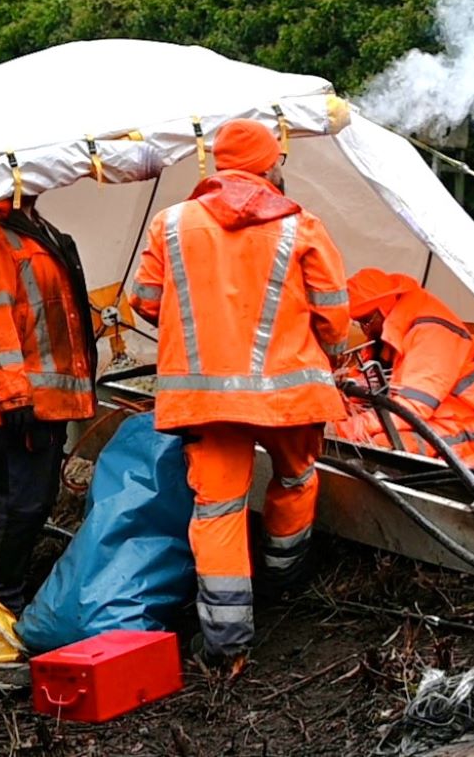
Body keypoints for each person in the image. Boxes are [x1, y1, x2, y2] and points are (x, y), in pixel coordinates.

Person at [128, 119, 350, 666]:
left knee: (219, 510)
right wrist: (325, 352)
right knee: (297, 480)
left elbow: (145, 301)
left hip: (207, 401)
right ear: (270, 164)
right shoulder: (303, 226)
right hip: (289, 395)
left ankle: (226, 646)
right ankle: (284, 583)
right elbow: (334, 317)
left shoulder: (171, 223)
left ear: (220, 165)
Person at [0, 197, 96, 615]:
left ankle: (3, 602)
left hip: (43, 403)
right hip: (17, 407)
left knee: (31, 504)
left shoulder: (30, 229)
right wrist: (15, 397)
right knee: (15, 506)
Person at [334, 268, 474, 467]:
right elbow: (364, 385)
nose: (365, 329)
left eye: (366, 321)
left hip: (467, 431)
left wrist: (353, 428)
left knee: (377, 447)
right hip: (429, 420)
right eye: (359, 323)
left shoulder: (433, 334)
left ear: (383, 310)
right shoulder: (393, 331)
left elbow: (412, 408)